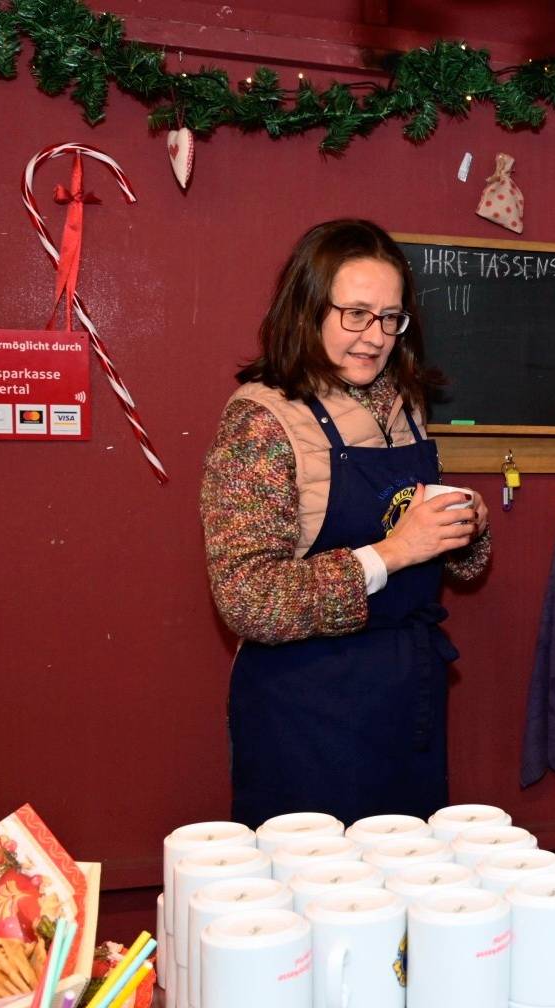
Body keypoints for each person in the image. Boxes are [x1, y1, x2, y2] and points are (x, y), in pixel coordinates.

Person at [201, 218, 490, 828]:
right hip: (307, 707)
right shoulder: (261, 420)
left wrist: (464, 530)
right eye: (355, 314)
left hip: (406, 692)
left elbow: (453, 566)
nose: (375, 337)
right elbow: (247, 599)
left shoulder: (403, 403)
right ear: (307, 308)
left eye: (390, 318)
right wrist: (394, 552)